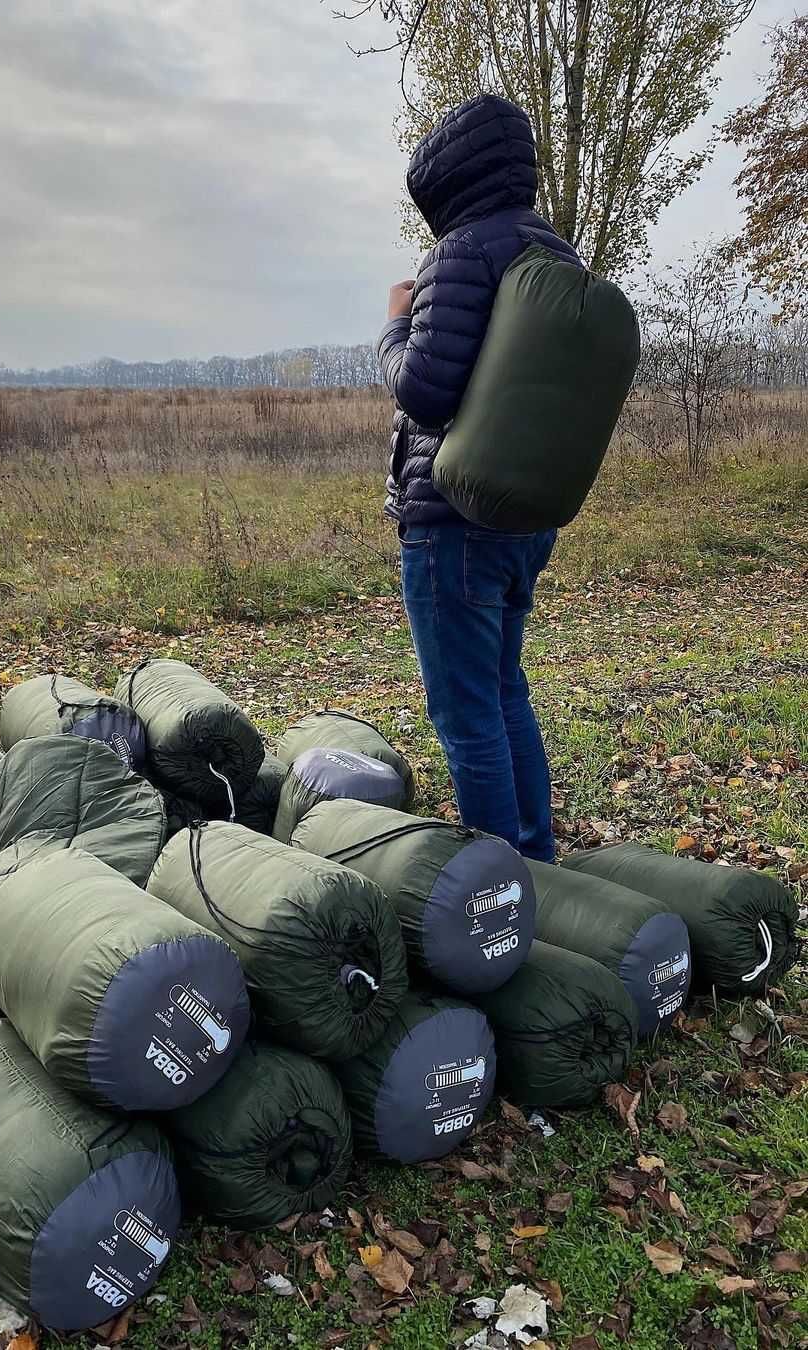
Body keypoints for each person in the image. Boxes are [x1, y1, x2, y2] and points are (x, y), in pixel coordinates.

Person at [378, 93, 580, 863]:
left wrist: (395, 322)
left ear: (448, 179)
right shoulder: (552, 251)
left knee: (466, 714)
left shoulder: (463, 252)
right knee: (504, 693)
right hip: (523, 518)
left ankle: (499, 884)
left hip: (453, 520)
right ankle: (535, 860)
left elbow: (425, 390)